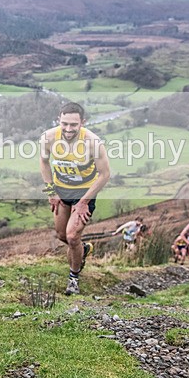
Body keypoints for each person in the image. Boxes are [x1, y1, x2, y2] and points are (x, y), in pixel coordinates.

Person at [40, 102, 111, 296]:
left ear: (83, 123)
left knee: (72, 237)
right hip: (62, 191)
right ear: (58, 120)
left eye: (73, 125)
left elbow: (104, 175)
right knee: (63, 236)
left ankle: (73, 278)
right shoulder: (48, 138)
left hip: (85, 193)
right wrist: (51, 191)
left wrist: (84, 201)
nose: (68, 129)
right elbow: (44, 163)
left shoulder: (92, 142)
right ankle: (83, 249)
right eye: (64, 124)